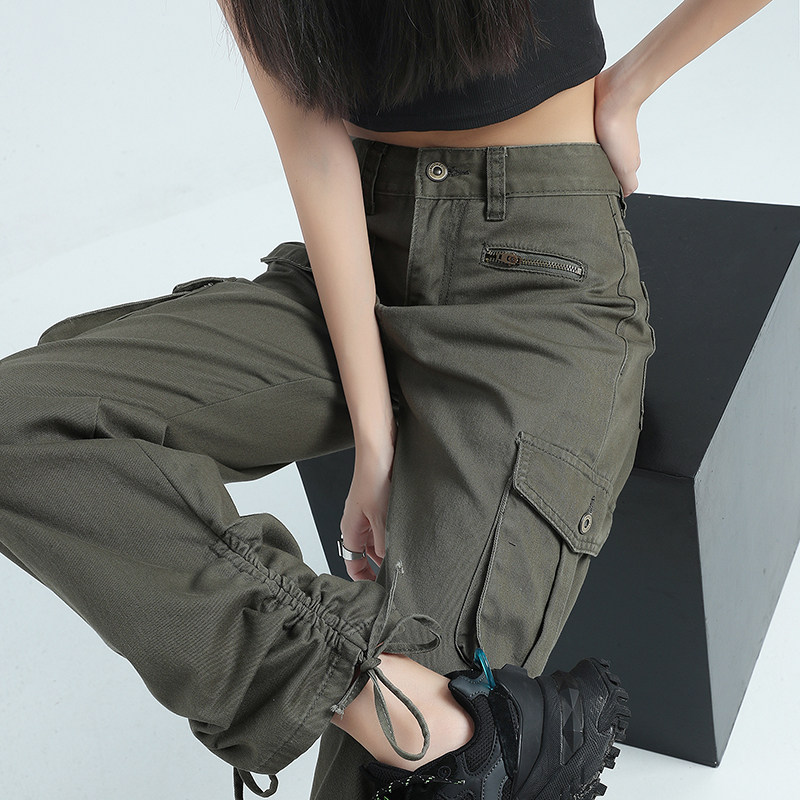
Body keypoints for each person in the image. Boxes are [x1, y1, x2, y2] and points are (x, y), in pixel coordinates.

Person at [0, 1, 774, 799]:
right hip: (361, 252)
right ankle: (379, 695)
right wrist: (374, 439)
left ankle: (408, 714)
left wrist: (631, 85)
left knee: (400, 782)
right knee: (19, 424)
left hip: (536, 271)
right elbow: (316, 152)